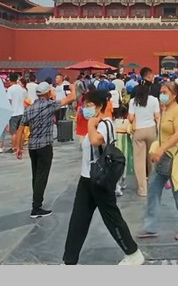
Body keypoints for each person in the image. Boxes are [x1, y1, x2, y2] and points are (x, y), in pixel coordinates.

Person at [62, 89, 143, 265]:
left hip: (100, 180)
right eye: (85, 105)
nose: (86, 108)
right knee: (78, 220)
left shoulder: (105, 124)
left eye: (89, 105)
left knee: (112, 218)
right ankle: (69, 260)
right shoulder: (96, 123)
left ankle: (133, 253)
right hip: (86, 179)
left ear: (99, 106)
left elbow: (96, 141)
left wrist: (91, 125)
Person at [138, 79, 178, 241]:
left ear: (174, 95)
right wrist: (158, 149)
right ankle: (150, 227)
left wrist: (161, 149)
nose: (161, 95)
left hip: (175, 157)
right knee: (153, 189)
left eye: (165, 93)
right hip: (163, 156)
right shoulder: (165, 110)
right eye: (161, 93)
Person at [13, 81, 76, 218]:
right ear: (47, 93)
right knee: (42, 176)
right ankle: (36, 207)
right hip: (45, 146)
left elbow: (20, 129)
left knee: (36, 175)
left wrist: (18, 147)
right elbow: (72, 98)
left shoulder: (29, 108)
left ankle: (36, 202)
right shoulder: (50, 105)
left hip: (32, 147)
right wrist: (73, 88)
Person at [129, 72, 162, 197]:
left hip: (138, 131)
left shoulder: (133, 101)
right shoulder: (154, 100)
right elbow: (157, 116)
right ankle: (153, 185)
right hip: (151, 129)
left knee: (139, 160)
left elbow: (130, 118)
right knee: (151, 158)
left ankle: (142, 189)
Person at [2, 73, 26, 153]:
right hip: (22, 112)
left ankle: (14, 147)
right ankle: (20, 147)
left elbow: (9, 100)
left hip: (14, 113)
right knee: (21, 131)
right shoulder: (21, 88)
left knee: (13, 132)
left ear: (9, 80)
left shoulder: (10, 89)